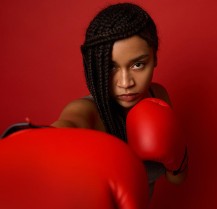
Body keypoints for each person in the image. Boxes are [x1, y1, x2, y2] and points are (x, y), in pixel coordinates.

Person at [51, 2, 188, 197]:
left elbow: (177, 179)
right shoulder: (88, 111)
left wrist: (176, 157)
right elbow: (67, 124)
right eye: (111, 67)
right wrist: (29, 140)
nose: (125, 82)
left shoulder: (158, 96)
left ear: (154, 57)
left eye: (138, 64)